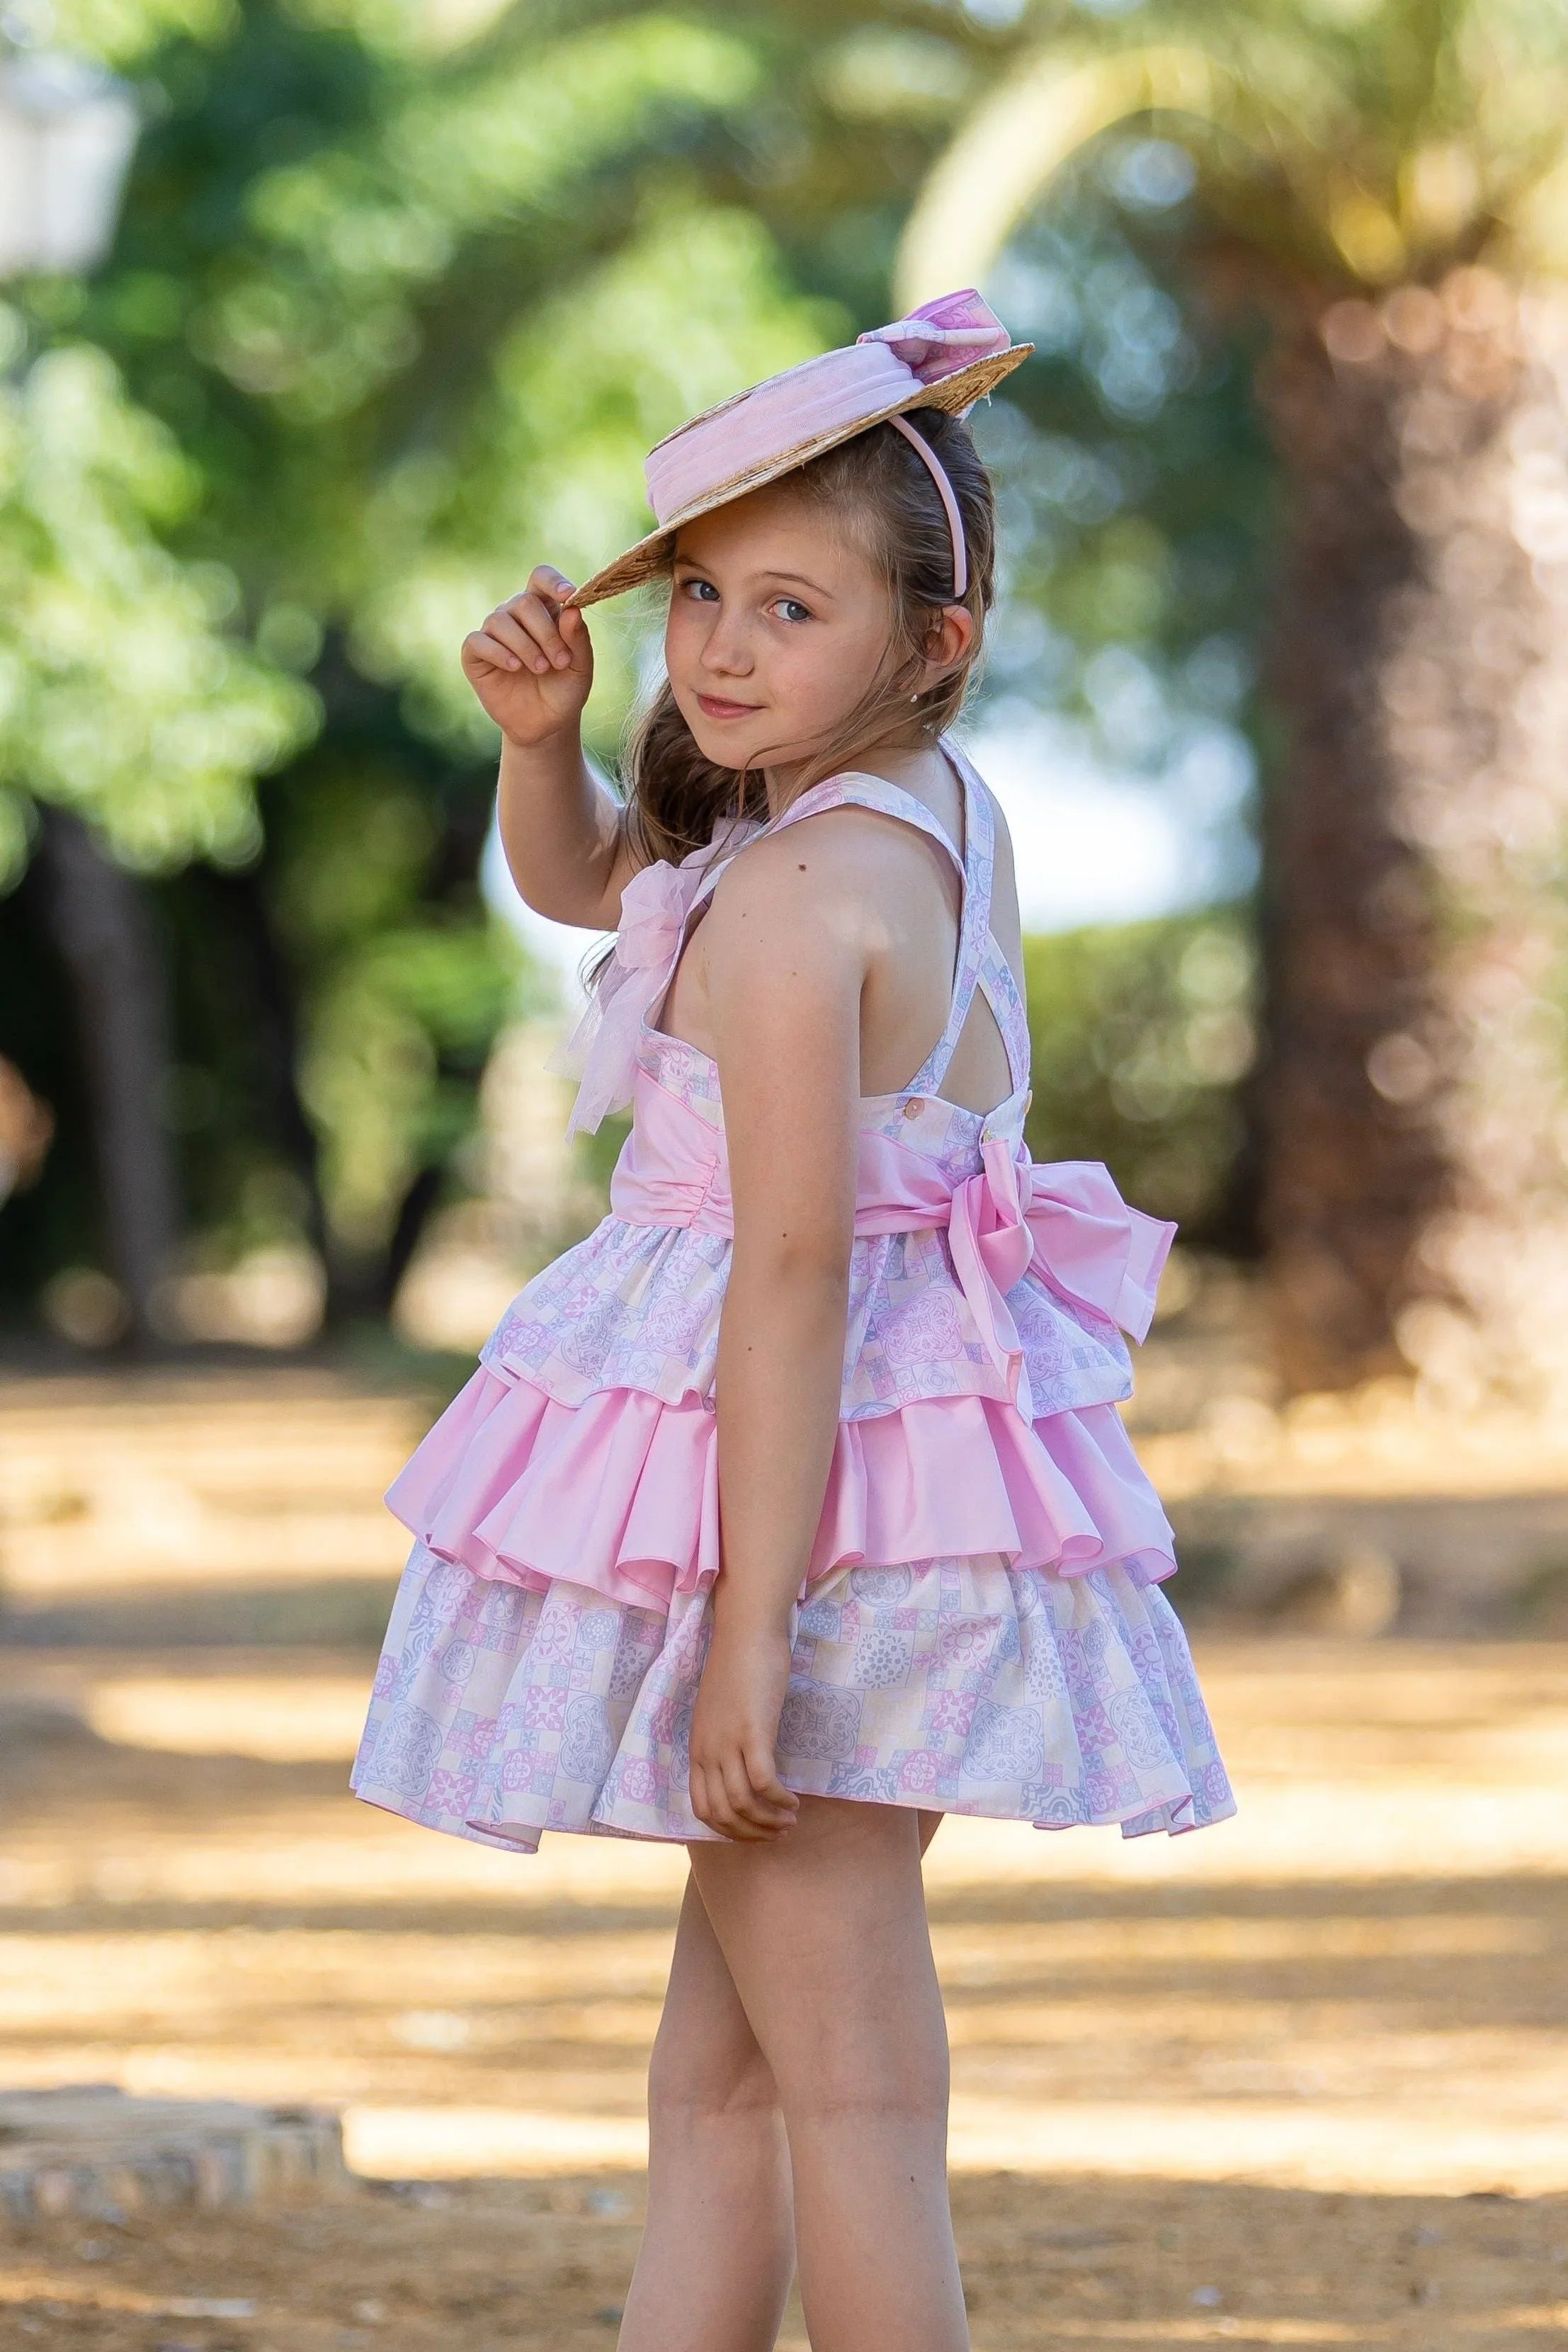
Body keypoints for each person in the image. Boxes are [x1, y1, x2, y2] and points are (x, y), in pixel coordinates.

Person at [353, 291, 1235, 2352]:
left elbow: (795, 1263)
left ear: (930, 635)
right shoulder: (893, 817)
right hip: (887, 1468)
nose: (729, 652)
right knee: (729, 2077)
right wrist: (539, 743)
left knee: (843, 2075)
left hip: (790, 1516)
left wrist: (743, 1625)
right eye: (707, 603)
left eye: (793, 608)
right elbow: (594, 883)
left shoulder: (794, 896)